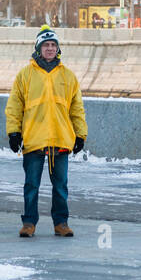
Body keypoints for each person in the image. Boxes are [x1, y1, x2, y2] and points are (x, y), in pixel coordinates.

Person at [5, 27, 87, 238]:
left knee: (61, 186)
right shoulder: (25, 75)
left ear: (58, 49)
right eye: (46, 45)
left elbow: (77, 108)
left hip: (60, 140)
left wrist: (80, 134)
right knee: (31, 185)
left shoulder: (68, 76)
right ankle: (29, 223)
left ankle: (61, 223)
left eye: (53, 45)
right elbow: (14, 106)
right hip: (34, 139)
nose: (50, 49)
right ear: (38, 48)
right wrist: (13, 132)